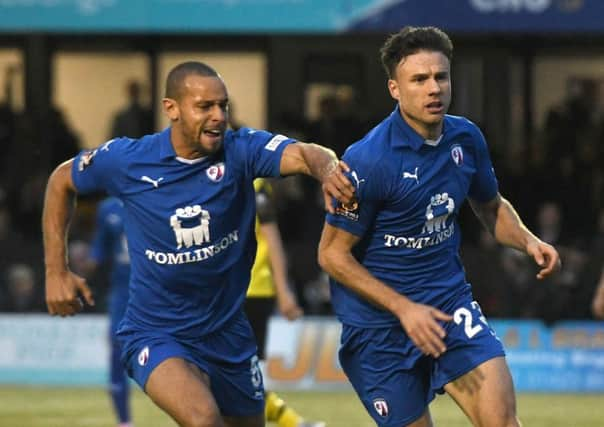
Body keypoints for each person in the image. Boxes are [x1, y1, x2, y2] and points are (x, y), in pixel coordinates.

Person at [42, 61, 353, 427]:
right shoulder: (128, 160)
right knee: (203, 418)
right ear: (171, 109)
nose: (218, 116)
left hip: (228, 333)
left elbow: (305, 153)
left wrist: (328, 169)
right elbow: (61, 181)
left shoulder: (241, 150)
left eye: (223, 105)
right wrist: (55, 270)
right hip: (156, 332)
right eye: (204, 107)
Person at [317, 26, 561, 427]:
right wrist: (404, 309)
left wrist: (528, 241)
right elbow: (330, 254)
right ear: (395, 89)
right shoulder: (369, 161)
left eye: (440, 77)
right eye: (419, 79)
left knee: (503, 421)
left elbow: (491, 207)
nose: (434, 88)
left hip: (449, 306)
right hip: (379, 330)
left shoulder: (466, 138)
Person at [245, 178, 325, 427]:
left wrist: (283, 290)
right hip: (231, 292)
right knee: (236, 376)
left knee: (242, 375)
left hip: (253, 291)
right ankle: (293, 422)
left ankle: (291, 422)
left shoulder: (255, 187)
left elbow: (271, 238)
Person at [87, 197, 133, 427]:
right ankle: (124, 421)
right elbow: (99, 251)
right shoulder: (108, 208)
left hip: (159, 289)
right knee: (116, 349)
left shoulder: (161, 193)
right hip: (122, 293)